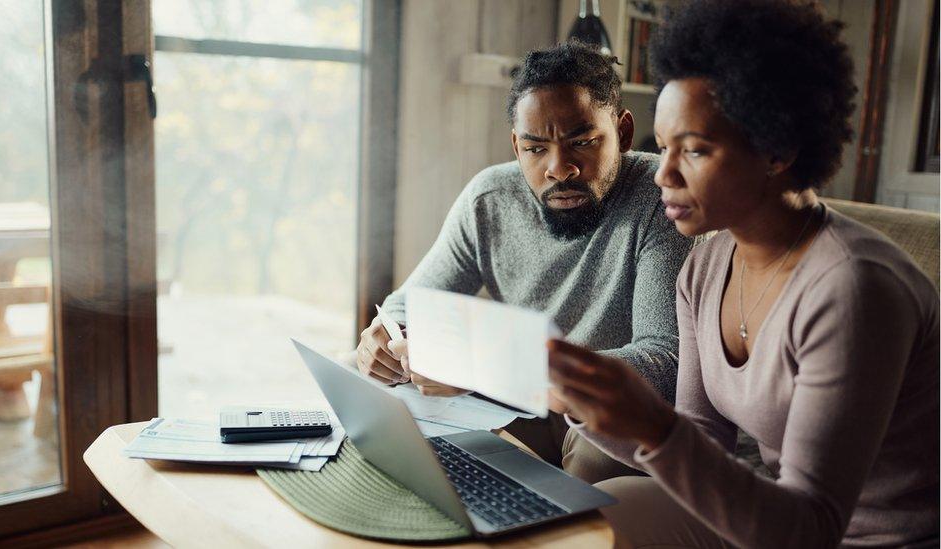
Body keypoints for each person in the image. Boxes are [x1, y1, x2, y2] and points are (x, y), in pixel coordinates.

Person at [547, 1, 940, 547]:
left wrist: (653, 426)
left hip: (858, 538)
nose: (664, 173)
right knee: (562, 530)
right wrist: (587, 406)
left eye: (696, 150)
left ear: (776, 149)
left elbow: (811, 527)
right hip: (763, 513)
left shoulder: (855, 289)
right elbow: (701, 441)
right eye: (663, 148)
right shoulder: (705, 267)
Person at [356, 41, 693, 482]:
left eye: (584, 142)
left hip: (607, 413)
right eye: (536, 149)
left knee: (603, 457)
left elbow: (665, 363)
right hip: (516, 400)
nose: (560, 168)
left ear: (623, 133)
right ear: (517, 147)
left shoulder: (662, 198)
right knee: (404, 429)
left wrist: (492, 364)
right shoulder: (490, 199)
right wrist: (383, 339)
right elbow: (409, 303)